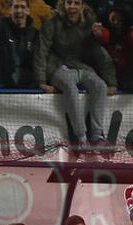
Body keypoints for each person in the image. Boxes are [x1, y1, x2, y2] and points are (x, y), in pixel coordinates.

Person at [34, 0, 117, 152]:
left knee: (100, 86)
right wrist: (41, 80)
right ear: (63, 5)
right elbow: (41, 50)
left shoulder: (89, 23)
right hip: (58, 67)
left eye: (76, 3)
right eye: (69, 3)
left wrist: (112, 82)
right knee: (70, 88)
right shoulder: (52, 22)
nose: (72, 6)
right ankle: (81, 138)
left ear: (82, 6)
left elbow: (100, 52)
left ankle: (97, 137)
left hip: (81, 66)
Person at [0, 0, 37, 87]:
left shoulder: (35, 34)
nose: (19, 11)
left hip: (28, 88)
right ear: (10, 10)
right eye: (16, 7)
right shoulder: (1, 28)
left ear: (28, 10)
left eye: (23, 7)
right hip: (3, 86)